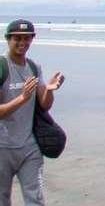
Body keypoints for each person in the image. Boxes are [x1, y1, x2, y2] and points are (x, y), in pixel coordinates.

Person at [0, 19, 65, 206]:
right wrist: (22, 98)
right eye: (17, 38)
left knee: (35, 199)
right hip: (3, 147)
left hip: (30, 146)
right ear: (8, 39)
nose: (22, 43)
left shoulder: (33, 67)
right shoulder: (2, 67)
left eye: (27, 38)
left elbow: (44, 105)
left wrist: (50, 90)